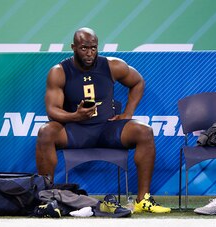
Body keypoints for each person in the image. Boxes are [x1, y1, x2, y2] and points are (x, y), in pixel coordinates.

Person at [35, 27, 171, 213]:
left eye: (93, 48)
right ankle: (47, 198)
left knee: (144, 131)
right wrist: (75, 116)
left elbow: (138, 81)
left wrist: (128, 113)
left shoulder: (112, 66)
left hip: (108, 129)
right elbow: (52, 110)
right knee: (46, 132)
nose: (89, 53)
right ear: (73, 47)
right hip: (76, 131)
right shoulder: (59, 72)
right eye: (84, 48)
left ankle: (143, 199)